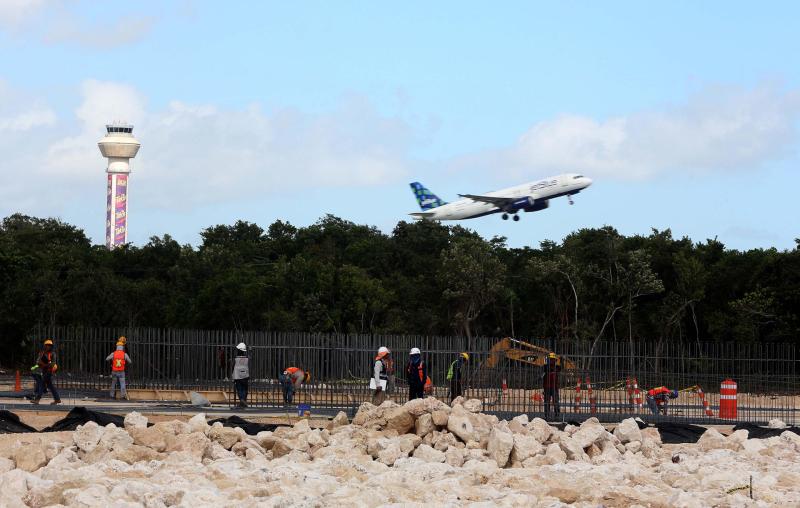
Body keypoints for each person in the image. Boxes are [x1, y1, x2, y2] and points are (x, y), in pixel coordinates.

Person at [31, 339, 60, 405]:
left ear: (51, 346)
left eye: (49, 345)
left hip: (49, 372)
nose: (48, 347)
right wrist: (39, 363)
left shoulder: (53, 354)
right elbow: (38, 362)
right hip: (44, 371)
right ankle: (57, 399)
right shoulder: (42, 353)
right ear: (44, 346)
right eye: (46, 345)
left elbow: (53, 364)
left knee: (41, 384)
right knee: (50, 386)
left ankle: (37, 399)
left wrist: (44, 364)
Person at [542, 352, 561, 419]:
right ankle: (547, 415)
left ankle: (556, 415)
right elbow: (543, 377)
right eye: (550, 359)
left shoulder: (557, 367)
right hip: (547, 387)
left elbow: (559, 368)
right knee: (547, 402)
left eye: (553, 359)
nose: (551, 360)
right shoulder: (545, 367)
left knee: (555, 401)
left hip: (554, 387)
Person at [231, 342, 250, 408]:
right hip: (245, 376)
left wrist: (232, 377)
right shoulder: (247, 358)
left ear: (238, 350)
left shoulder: (235, 359)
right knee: (245, 389)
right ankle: (243, 401)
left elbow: (233, 367)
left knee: (239, 389)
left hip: (237, 376)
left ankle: (242, 401)